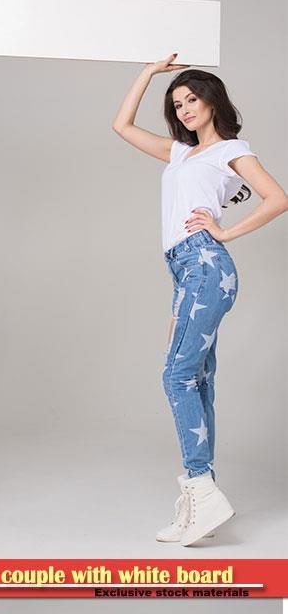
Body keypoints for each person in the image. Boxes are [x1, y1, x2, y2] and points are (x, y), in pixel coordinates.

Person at [113, 57, 288, 543]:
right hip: (184, 271)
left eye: (192, 99)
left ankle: (201, 489)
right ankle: (201, 496)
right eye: (177, 104)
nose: (185, 109)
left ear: (212, 100)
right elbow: (121, 125)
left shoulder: (230, 150)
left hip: (205, 265)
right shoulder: (180, 154)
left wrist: (225, 230)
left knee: (177, 375)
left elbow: (278, 197)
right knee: (197, 377)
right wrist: (148, 74)